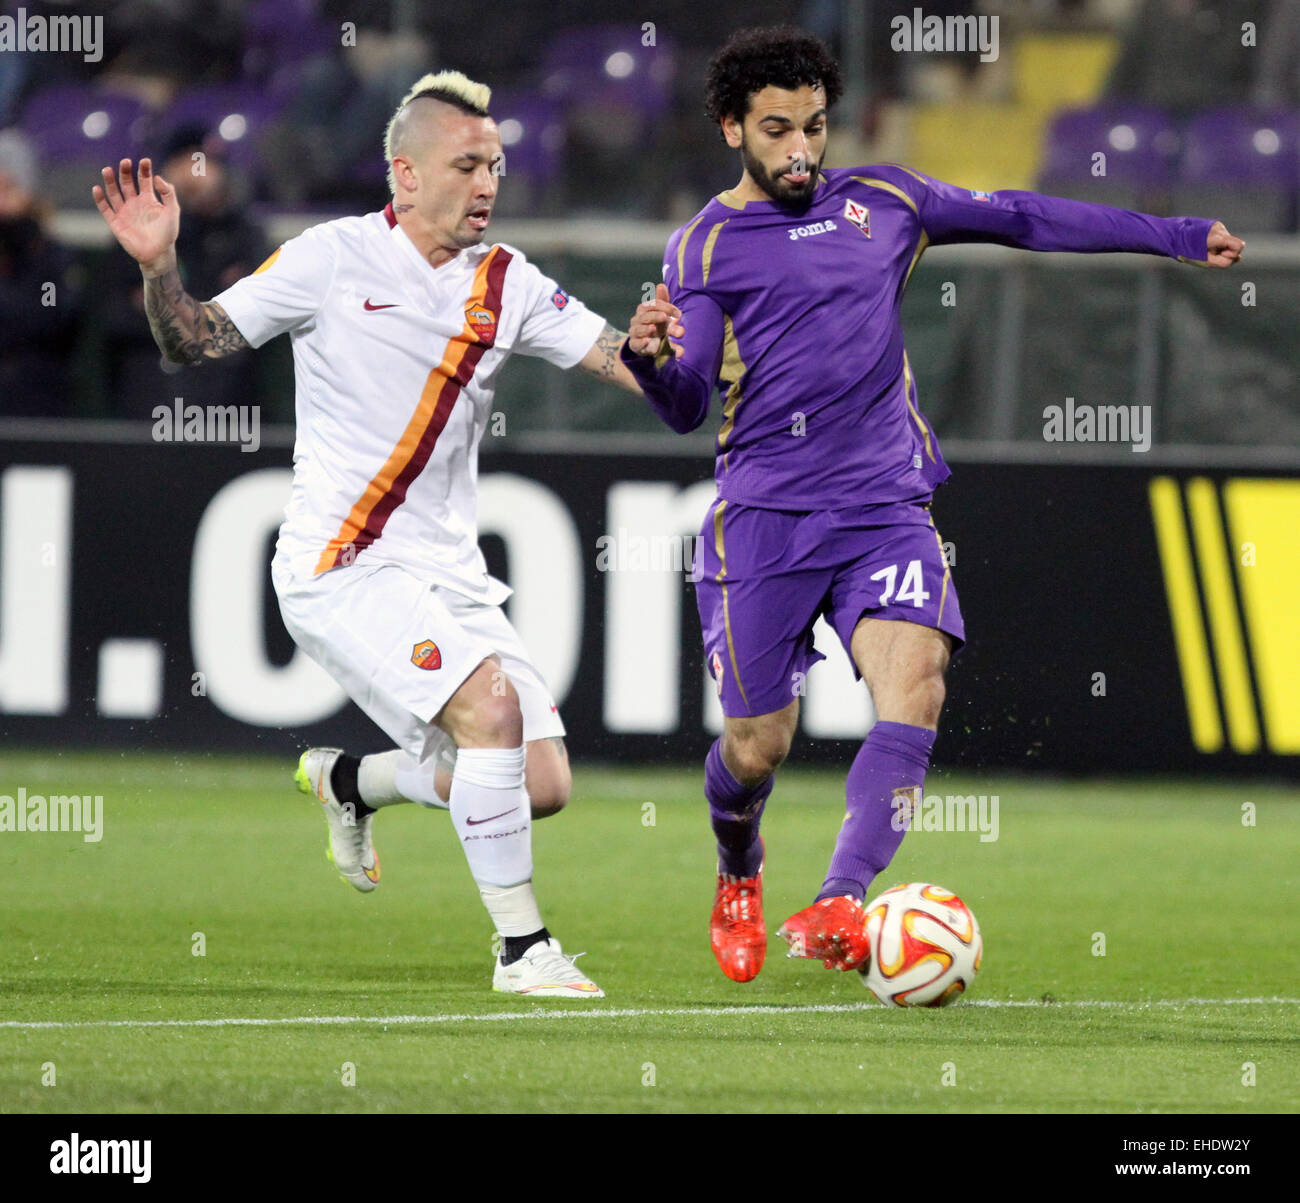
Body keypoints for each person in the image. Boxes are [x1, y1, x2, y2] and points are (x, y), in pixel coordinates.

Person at [620, 26, 1244, 984]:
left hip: (886, 503)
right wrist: (651, 358)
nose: (799, 150)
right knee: (757, 745)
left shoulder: (889, 201)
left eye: (815, 128)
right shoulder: (705, 245)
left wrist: (1169, 235)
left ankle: (839, 898)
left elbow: (1024, 217)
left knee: (916, 687)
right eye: (777, 130)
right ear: (731, 128)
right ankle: (737, 863)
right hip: (765, 520)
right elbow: (686, 404)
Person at [93, 70, 642, 998]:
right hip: (339, 562)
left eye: (496, 166)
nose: (488, 184)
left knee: (538, 783)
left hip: (446, 571)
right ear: (405, 174)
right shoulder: (331, 258)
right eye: (467, 165)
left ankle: (354, 781)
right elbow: (192, 341)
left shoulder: (507, 281)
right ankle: (523, 952)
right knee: (493, 716)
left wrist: (670, 349)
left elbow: (624, 360)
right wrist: (159, 269)